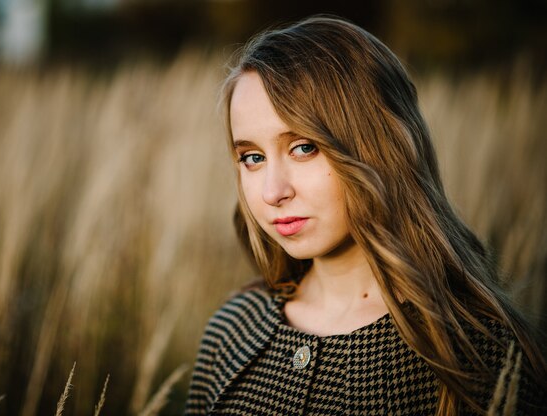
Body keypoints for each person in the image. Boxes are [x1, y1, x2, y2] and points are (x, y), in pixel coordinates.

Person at [185, 15, 547, 415]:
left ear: (379, 147)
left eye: (304, 148)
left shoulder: (480, 355)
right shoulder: (230, 330)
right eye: (252, 157)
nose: (273, 192)